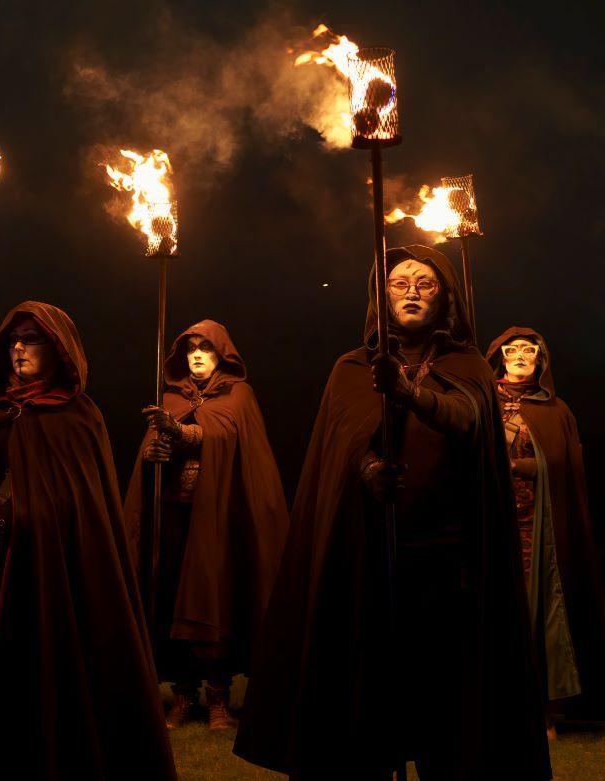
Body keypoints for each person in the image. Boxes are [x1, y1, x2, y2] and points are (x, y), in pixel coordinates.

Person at [235, 246, 551, 780]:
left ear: (446, 298)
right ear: (381, 297)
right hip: (366, 563)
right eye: (399, 282)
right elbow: (339, 451)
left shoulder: (468, 365)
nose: (410, 291)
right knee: (365, 706)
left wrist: (409, 393)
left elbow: (469, 418)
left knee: (445, 714)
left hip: (448, 565)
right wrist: (365, 470)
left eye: (425, 284)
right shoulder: (352, 368)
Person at [0, 301, 177, 780]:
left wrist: (6, 518)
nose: (17, 348)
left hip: (56, 578)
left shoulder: (77, 418)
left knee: (53, 681)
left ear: (57, 349)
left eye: (30, 339)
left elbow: (76, 510)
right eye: (12, 340)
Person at [122, 319, 289, 730]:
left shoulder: (238, 395)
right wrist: (155, 451)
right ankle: (182, 696)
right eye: (190, 349)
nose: (196, 355)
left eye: (205, 348)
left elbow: (227, 434)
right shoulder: (171, 399)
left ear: (221, 355)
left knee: (215, 600)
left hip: (219, 521)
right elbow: (150, 459)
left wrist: (181, 431)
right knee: (171, 598)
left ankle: (218, 699)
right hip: (175, 518)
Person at [487, 326, 605, 731]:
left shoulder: (556, 410)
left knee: (538, 611)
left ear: (540, 361)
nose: (520, 354)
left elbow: (565, 468)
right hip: (489, 525)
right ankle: (490, 711)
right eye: (512, 349)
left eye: (529, 350)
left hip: (538, 530)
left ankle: (541, 710)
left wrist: (528, 466)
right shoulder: (480, 402)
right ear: (500, 357)